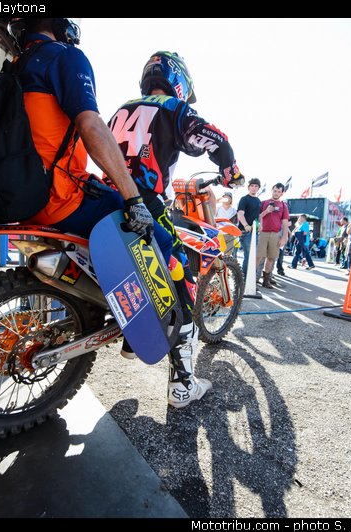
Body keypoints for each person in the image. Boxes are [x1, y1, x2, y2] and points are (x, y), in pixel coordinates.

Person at [10, 21, 196, 406]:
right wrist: (132, 198)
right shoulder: (66, 58)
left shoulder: (14, 68)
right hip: (60, 195)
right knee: (168, 250)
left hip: (20, 198)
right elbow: (91, 126)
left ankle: (122, 322)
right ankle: (182, 380)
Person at [105, 49, 244, 405]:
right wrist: (230, 168)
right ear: (178, 80)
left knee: (135, 267)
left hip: (106, 196)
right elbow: (211, 136)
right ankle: (182, 386)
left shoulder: (122, 108)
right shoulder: (173, 108)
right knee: (181, 280)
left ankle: (130, 339)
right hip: (146, 201)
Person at [256, 183, 290, 288]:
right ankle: (252, 280)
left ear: (282, 193)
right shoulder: (263, 203)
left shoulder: (283, 205)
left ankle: (266, 280)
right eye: (275, 191)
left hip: (276, 234)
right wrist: (266, 211)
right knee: (258, 257)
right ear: (272, 190)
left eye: (279, 191)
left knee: (271, 258)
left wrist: (284, 237)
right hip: (263, 233)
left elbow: (285, 222)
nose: (276, 193)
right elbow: (257, 217)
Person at [237, 178, 262, 275]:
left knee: (253, 256)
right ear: (248, 187)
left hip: (255, 232)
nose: (254, 188)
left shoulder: (258, 201)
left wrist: (260, 224)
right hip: (245, 231)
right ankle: (245, 278)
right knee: (248, 256)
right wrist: (246, 225)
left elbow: (258, 216)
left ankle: (250, 278)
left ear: (258, 188)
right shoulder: (244, 199)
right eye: (252, 186)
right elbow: (240, 214)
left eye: (256, 186)